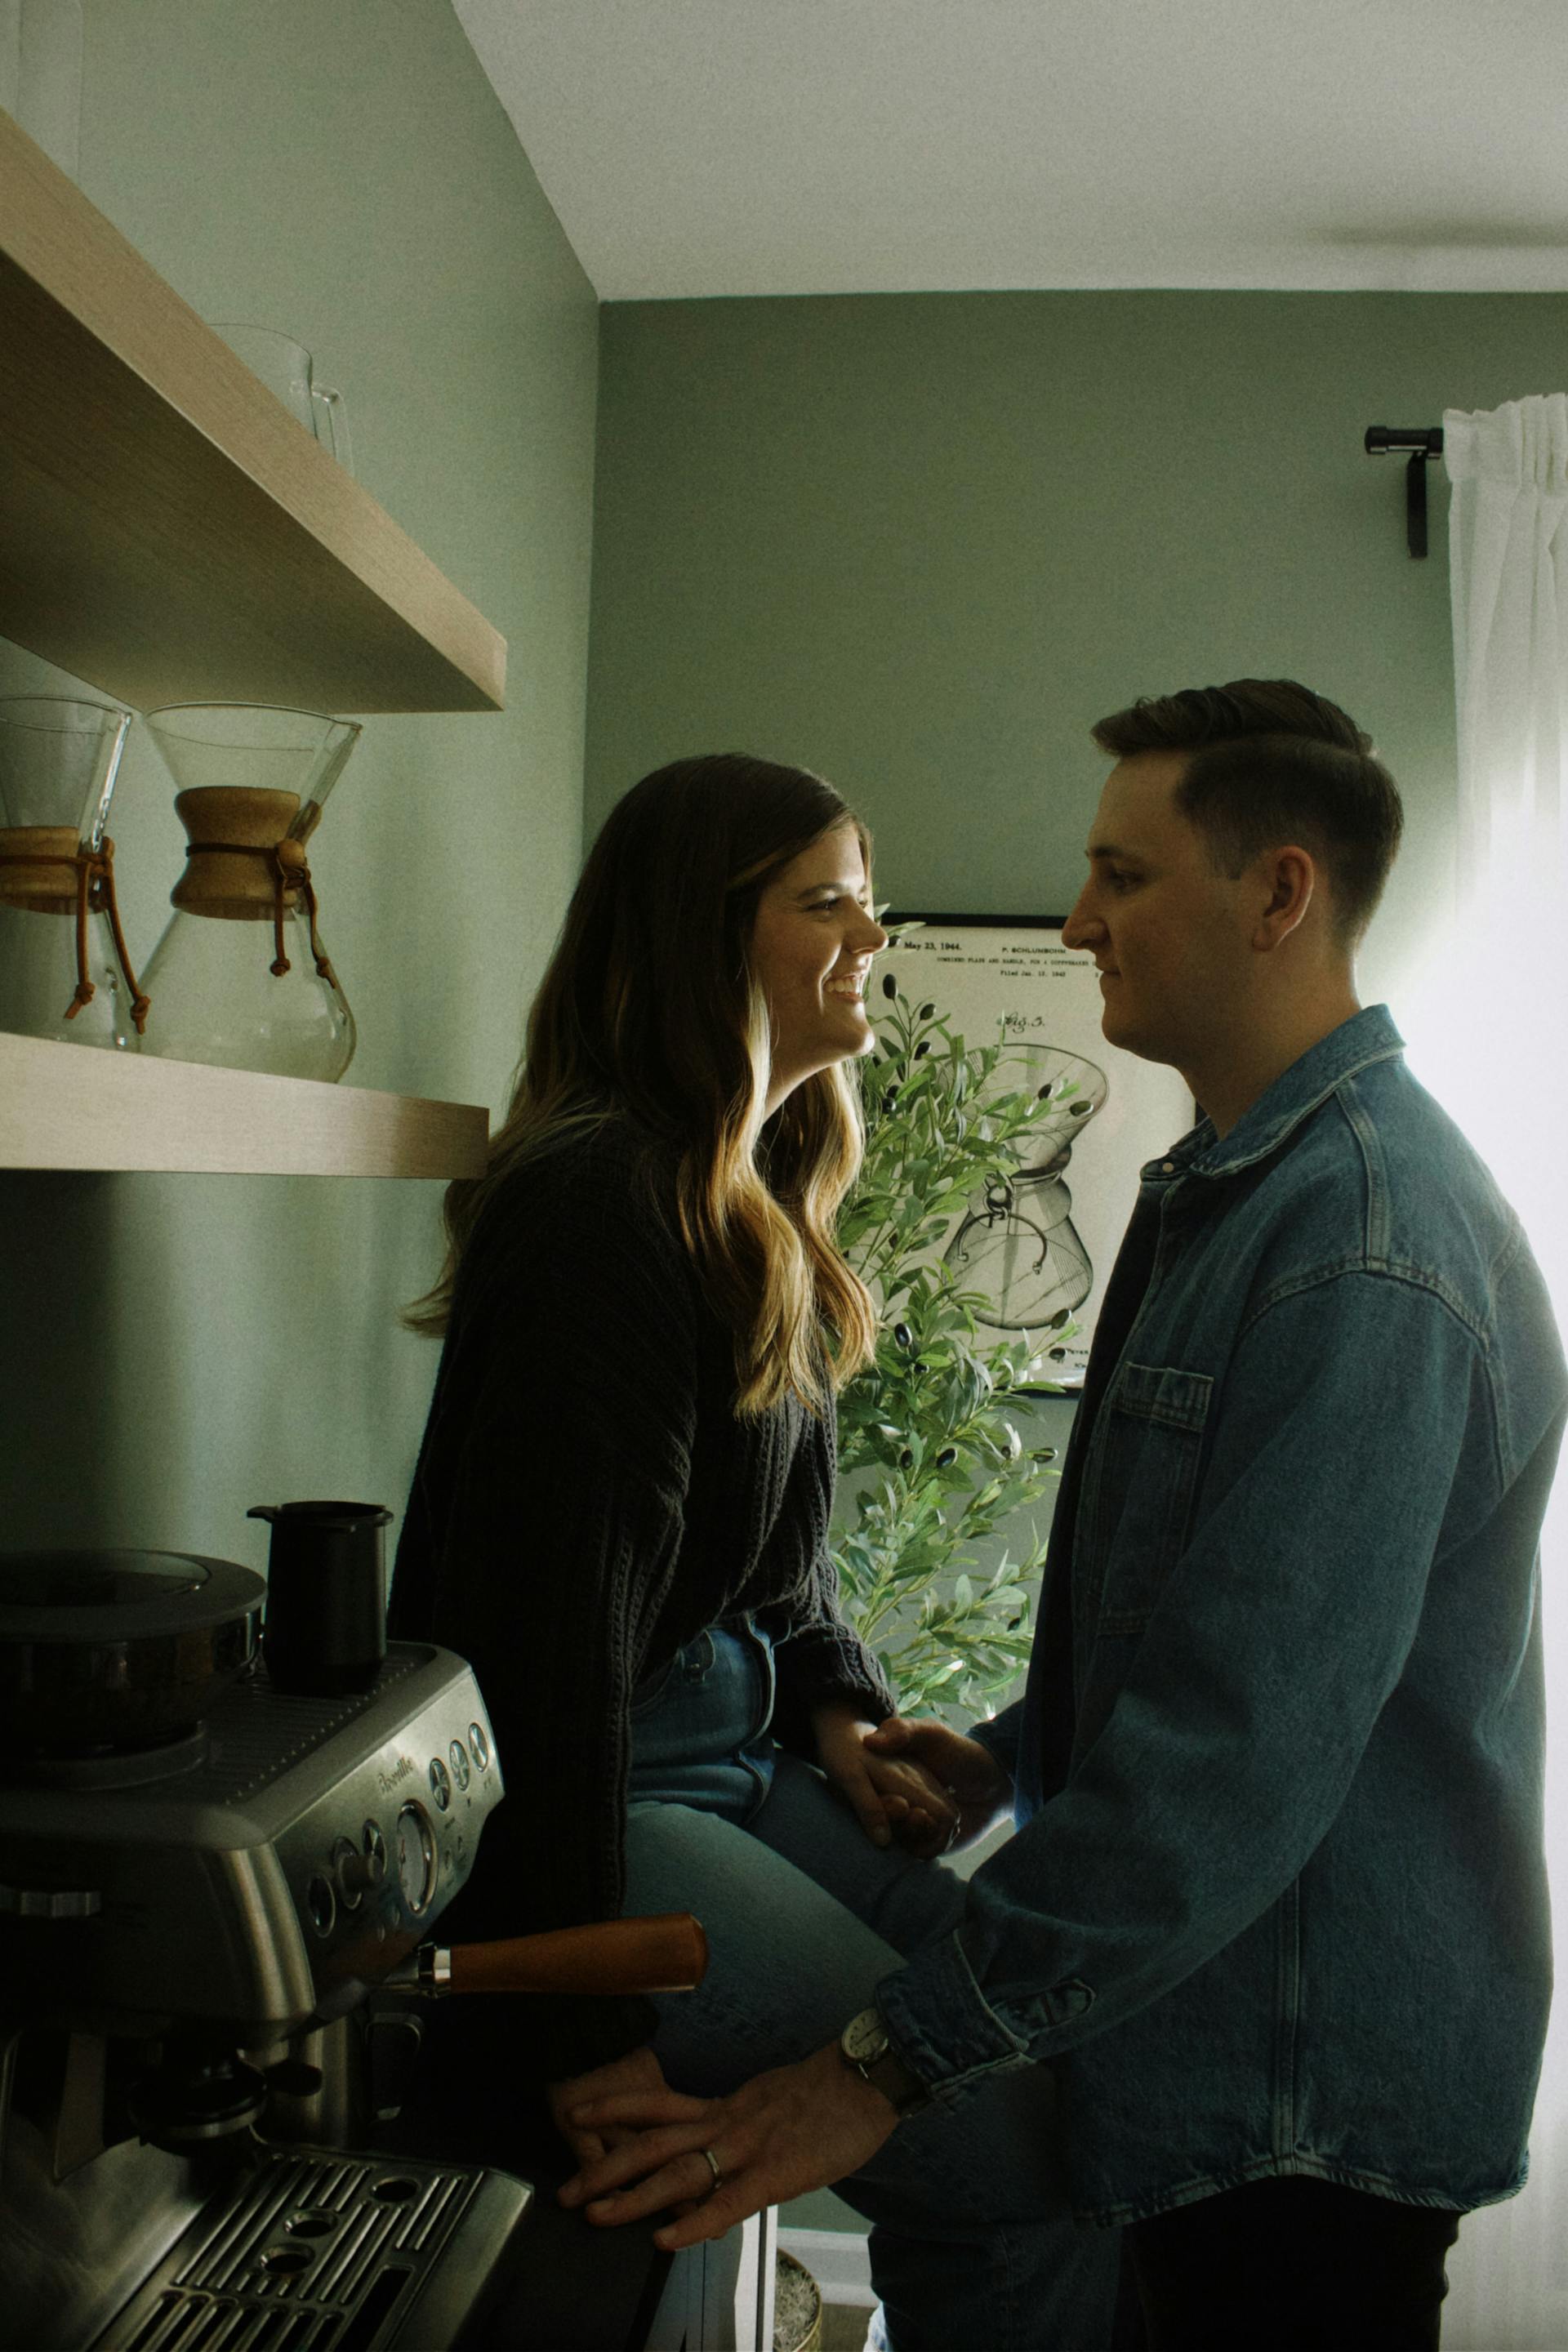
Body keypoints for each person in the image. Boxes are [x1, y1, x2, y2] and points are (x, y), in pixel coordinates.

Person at [560, 684, 1568, 2352]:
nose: (1081, 916)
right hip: (1210, 2056)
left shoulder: (1365, 1255)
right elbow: (1217, 1627)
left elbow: (1236, 1752)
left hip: (1291, 2103)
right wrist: (1014, 1750)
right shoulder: (1227, 1196)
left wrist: (875, 2072)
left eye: (1125, 873)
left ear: (1279, 894)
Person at [388, 751, 1125, 2352]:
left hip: (727, 1755)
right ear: (701, 938)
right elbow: (544, 1665)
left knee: (1030, 2041)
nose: (874, 932)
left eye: (869, 898)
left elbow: (779, 1582)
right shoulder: (603, 1212)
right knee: (1013, 2144)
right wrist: (580, 2025)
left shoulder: (754, 1200)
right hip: (611, 1802)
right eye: (829, 901)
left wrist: (846, 1716)